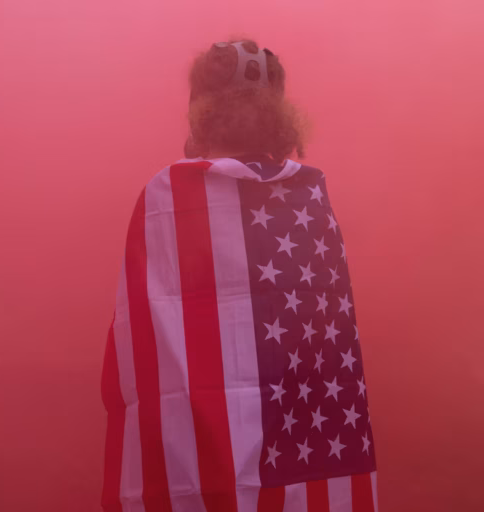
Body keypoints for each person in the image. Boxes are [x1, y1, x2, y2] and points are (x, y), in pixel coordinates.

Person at [101, 39, 378, 512]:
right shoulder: (310, 193)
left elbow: (138, 335)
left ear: (201, 109)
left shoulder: (166, 196)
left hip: (198, 437)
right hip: (297, 430)